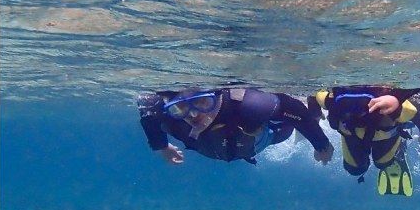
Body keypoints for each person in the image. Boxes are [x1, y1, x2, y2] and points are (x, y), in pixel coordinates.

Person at [137, 87, 334, 165]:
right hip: (237, 146)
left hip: (268, 134)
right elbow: (147, 112)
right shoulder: (163, 116)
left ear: (215, 96)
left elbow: (292, 109)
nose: (195, 114)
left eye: (203, 103)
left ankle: (313, 106)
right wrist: (161, 146)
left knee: (292, 118)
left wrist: (321, 145)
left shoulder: (250, 105)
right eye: (180, 109)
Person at [307, 86, 420, 196]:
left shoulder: (389, 106)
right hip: (365, 136)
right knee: (354, 169)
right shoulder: (334, 102)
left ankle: (400, 147)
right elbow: (315, 96)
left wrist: (316, 121)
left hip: (383, 136)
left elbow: (417, 111)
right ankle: (393, 151)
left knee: (383, 163)